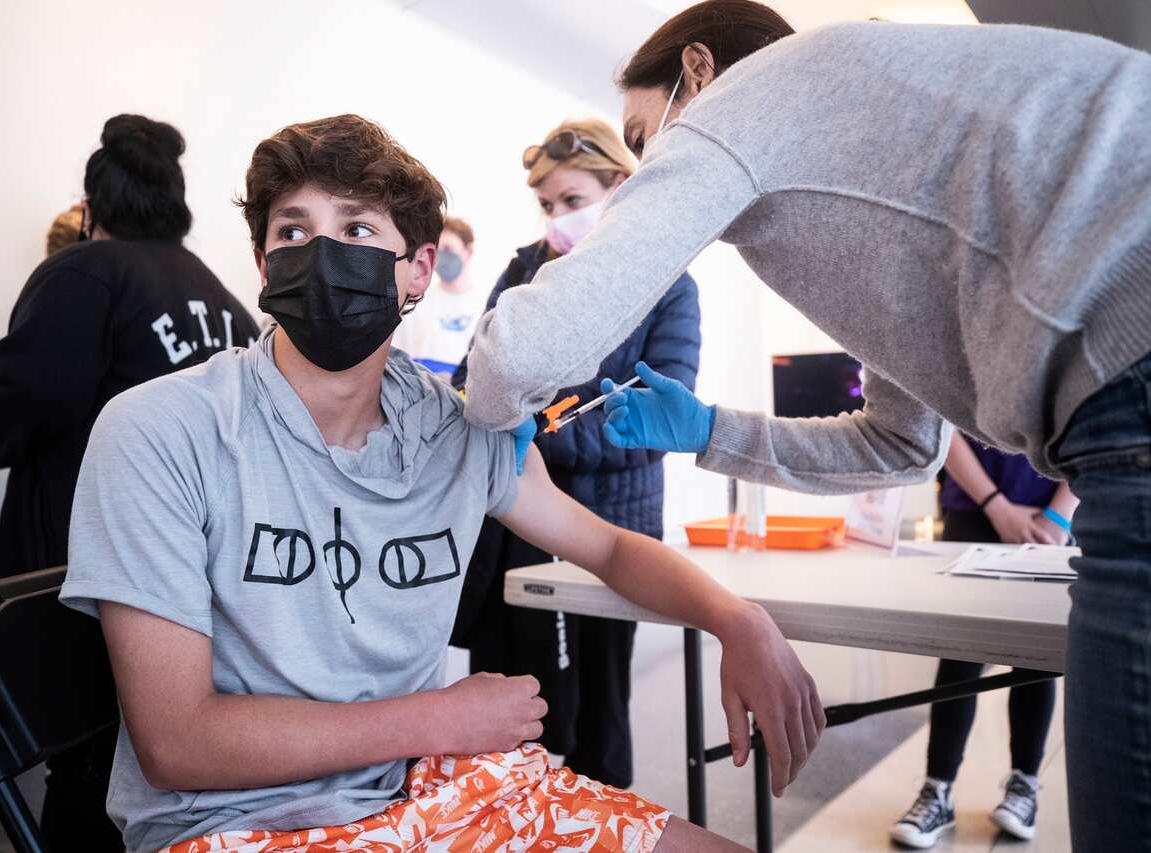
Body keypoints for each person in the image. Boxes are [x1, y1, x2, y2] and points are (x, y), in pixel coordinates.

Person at [458, 4, 1151, 850]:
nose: (653, 168)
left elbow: (515, 355)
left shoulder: (748, 98)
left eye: (647, 138)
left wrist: (475, 423)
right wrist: (707, 429)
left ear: (700, 72)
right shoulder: (870, 145)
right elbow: (904, 444)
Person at [58, 113, 821, 853]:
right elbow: (177, 741)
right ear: (263, 266)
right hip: (238, 823)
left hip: (431, 790)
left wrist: (734, 616)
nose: (321, 252)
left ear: (418, 270)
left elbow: (610, 550)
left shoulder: (457, 431)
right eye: (292, 230)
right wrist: (435, 720)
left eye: (357, 230)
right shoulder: (161, 430)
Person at [0, 114, 259, 852]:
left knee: (87, 769)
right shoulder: (219, 296)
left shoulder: (82, 273)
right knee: (164, 770)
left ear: (92, 206)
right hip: (209, 574)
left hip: (87, 575)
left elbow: (6, 418)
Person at [449, 118, 701, 789]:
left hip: (615, 531)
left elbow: (653, 421)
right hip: (523, 524)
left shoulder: (668, 284)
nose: (558, 218)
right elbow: (475, 376)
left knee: (599, 717)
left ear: (620, 187)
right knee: (508, 705)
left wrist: (535, 429)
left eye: (572, 200)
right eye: (548, 205)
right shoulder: (526, 269)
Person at [890, 433, 1078, 848]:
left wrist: (1060, 517)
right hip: (973, 508)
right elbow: (944, 427)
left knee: (1034, 660)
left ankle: (1024, 785)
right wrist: (997, 506)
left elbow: (1091, 423)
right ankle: (937, 790)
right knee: (957, 657)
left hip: (1052, 517)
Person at [391, 216, 484, 381]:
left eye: (448, 248)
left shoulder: (484, 306)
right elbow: (395, 361)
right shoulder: (414, 302)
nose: (442, 257)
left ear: (468, 251)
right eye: (438, 250)